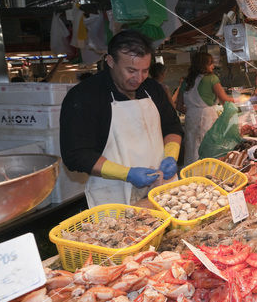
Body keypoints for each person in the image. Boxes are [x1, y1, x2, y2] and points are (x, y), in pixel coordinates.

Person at [60, 29, 183, 208]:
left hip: (161, 190)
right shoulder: (84, 96)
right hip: (114, 195)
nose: (138, 78)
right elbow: (76, 155)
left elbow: (172, 127)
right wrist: (127, 174)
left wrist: (171, 156)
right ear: (110, 61)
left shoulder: (153, 89)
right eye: (131, 70)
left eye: (145, 71)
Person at [178, 52, 235, 166]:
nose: (213, 66)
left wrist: (193, 112)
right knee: (209, 152)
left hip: (190, 119)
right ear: (203, 65)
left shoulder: (186, 81)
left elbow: (178, 106)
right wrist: (242, 100)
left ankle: (191, 179)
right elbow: (224, 100)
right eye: (210, 64)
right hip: (207, 118)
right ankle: (208, 179)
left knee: (192, 151)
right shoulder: (212, 78)